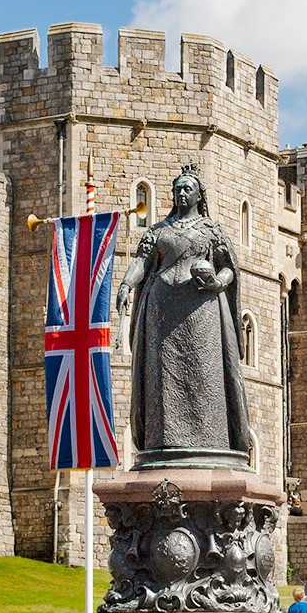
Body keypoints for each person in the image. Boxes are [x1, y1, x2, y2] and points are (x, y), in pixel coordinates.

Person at [116, 164, 250, 463]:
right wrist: (126, 284)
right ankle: (163, 441)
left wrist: (218, 282)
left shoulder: (211, 230)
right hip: (161, 306)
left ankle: (211, 440)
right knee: (161, 376)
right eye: (177, 189)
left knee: (205, 372)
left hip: (201, 309)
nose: (181, 193)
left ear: (199, 194)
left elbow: (229, 267)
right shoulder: (158, 231)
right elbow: (142, 261)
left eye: (187, 188)